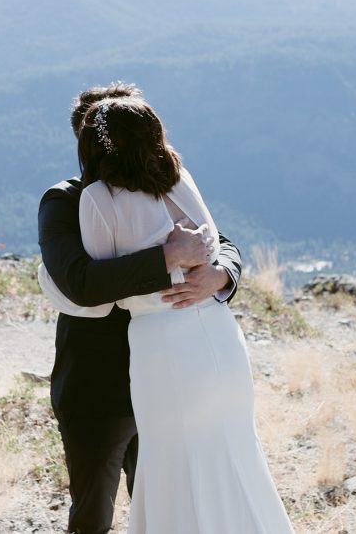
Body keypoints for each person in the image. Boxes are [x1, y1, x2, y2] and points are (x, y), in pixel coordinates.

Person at [74, 95, 293, 533]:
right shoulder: (180, 179)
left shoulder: (97, 198)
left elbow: (103, 292)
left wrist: (160, 264)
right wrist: (207, 273)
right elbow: (215, 244)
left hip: (164, 347)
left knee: (173, 466)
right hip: (219, 335)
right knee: (234, 454)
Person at [37, 83, 243, 534]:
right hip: (98, 381)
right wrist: (168, 258)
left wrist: (221, 275)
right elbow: (81, 282)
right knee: (93, 511)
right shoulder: (65, 201)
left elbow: (218, 242)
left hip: (171, 372)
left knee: (168, 502)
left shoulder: (160, 184)